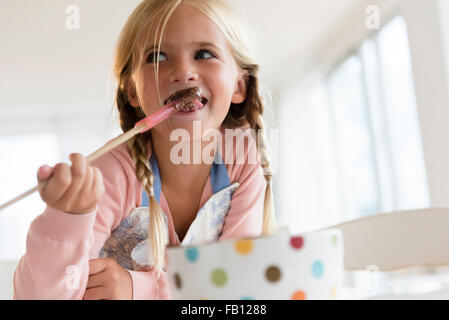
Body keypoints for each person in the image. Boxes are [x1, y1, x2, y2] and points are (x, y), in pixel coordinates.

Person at [13, 0, 276, 300]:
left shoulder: (242, 160)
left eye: (204, 54)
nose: (184, 72)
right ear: (133, 91)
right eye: (157, 56)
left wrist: (138, 289)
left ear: (239, 86)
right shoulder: (110, 174)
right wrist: (66, 220)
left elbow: (238, 286)